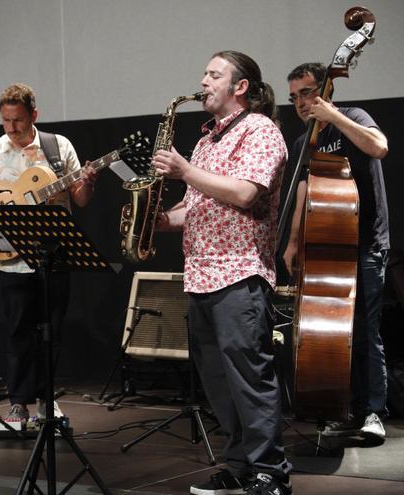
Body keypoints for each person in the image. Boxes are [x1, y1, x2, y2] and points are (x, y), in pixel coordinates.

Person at [152, 51, 292, 494]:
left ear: (241, 86)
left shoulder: (261, 130)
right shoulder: (206, 141)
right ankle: (239, 465)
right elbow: (197, 207)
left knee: (250, 379)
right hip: (199, 276)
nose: (203, 81)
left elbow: (246, 193)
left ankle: (270, 472)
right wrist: (158, 220)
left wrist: (185, 171)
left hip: (240, 274)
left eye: (214, 75)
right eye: (204, 74)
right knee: (218, 383)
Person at [0, 83, 96, 423]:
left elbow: (81, 199)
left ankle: (46, 399)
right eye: (5, 120)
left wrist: (87, 180)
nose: (12, 128)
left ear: (34, 115)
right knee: (17, 332)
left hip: (54, 251)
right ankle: (17, 401)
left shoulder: (58, 146)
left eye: (18, 120)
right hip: (10, 257)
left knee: (52, 333)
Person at [282, 62, 390, 439]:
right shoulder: (303, 143)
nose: (300, 102)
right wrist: (294, 241)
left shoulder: (354, 116)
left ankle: (373, 411)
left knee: (364, 331)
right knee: (334, 335)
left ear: (326, 91)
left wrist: (334, 118)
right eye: (294, 97)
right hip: (327, 248)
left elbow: (379, 146)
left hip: (366, 244)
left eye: (307, 92)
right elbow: (302, 194)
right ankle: (342, 408)